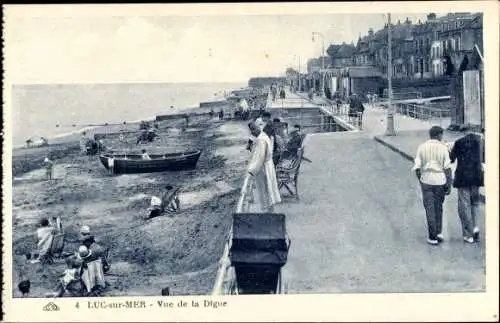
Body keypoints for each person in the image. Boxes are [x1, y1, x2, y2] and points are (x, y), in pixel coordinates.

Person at [413, 126, 452, 245]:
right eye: (442, 135)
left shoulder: (422, 147)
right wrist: (448, 185)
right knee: (438, 207)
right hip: (440, 180)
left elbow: (417, 167)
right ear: (439, 135)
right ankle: (438, 232)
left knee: (429, 208)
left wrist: (421, 180)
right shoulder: (443, 148)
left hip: (426, 180)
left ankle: (432, 236)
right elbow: (448, 168)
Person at [449, 124, 485, 243]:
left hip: (463, 177)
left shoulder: (459, 142)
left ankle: (468, 234)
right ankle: (475, 228)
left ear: (463, 132)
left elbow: (451, 158)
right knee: (475, 204)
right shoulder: (480, 141)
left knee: (464, 205)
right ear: (472, 130)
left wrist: (449, 150)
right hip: (477, 177)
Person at [246, 122, 281, 212]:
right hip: (268, 165)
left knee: (263, 189)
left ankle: (266, 210)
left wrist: (251, 170)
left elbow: (260, 157)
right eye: (251, 130)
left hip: (262, 168)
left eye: (254, 129)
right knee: (268, 189)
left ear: (259, 128)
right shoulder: (264, 136)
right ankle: (270, 210)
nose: (252, 132)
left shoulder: (261, 140)